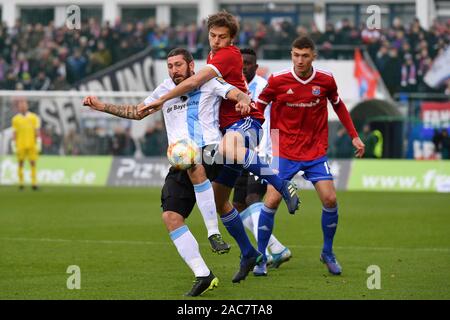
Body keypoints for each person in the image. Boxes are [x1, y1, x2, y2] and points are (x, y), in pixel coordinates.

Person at [139, 11, 299, 282]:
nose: (215, 41)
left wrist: (161, 99)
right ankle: (249, 252)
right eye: (212, 35)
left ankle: (283, 185)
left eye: (222, 37)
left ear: (232, 38)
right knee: (220, 200)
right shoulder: (214, 55)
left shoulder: (226, 55)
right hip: (229, 132)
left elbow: (193, 82)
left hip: (245, 124)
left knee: (227, 148)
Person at [83, 48, 254, 296]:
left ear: (191, 65)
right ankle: (203, 274)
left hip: (211, 152)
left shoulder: (207, 81)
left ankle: (213, 233)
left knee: (193, 163)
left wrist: (243, 99)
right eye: (170, 66)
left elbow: (234, 91)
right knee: (171, 217)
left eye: (178, 65)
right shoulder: (164, 89)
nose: (174, 70)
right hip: (180, 161)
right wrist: (101, 106)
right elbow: (138, 112)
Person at [254, 36, 365, 276]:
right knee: (271, 201)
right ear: (291, 55)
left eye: (305, 55)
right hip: (282, 150)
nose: (300, 60)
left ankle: (327, 252)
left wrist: (354, 135)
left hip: (314, 151)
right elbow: (259, 105)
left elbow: (339, 106)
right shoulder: (277, 80)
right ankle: (261, 257)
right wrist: (251, 130)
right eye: (296, 55)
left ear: (313, 55)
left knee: (330, 200)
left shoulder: (325, 80)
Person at [233, 48, 291, 275]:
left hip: (260, 151)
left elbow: (273, 121)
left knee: (252, 197)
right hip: (236, 152)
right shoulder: (233, 87)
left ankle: (265, 256)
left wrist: (272, 150)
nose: (244, 66)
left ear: (255, 67)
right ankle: (275, 248)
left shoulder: (265, 87)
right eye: (241, 63)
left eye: (248, 63)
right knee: (236, 206)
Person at [11, 98, 42, 190]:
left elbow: (37, 130)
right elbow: (14, 132)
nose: (23, 107)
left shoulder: (33, 117)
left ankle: (34, 183)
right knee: (20, 163)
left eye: (24, 104)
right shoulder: (15, 119)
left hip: (31, 144)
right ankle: (21, 183)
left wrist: (39, 141)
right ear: (18, 107)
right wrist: (13, 143)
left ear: (27, 106)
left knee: (33, 163)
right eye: (21, 105)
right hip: (20, 144)